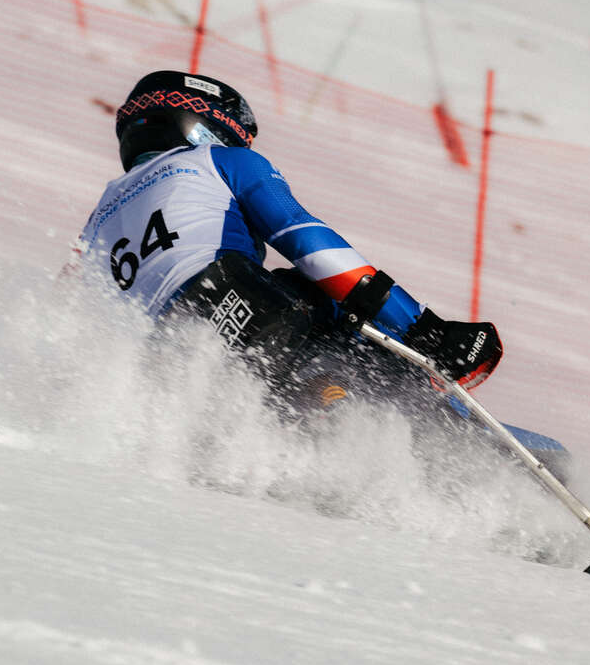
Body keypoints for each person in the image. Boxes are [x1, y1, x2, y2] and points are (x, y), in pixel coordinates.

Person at [71, 70, 502, 415]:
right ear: (209, 125)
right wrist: (424, 329)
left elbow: (73, 312)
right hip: (237, 302)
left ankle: (315, 406)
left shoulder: (95, 221)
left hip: (159, 363)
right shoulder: (219, 159)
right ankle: (400, 413)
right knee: (317, 290)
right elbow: (304, 237)